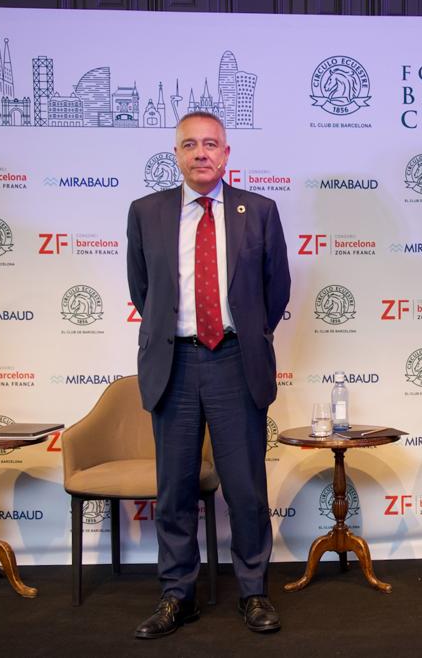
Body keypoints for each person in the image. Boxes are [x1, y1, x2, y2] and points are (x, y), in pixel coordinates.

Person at [126, 111, 291, 639]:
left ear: (226, 154)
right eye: (190, 144)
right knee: (173, 489)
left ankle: (253, 591)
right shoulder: (146, 211)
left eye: (211, 144)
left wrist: (241, 334)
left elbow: (275, 289)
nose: (201, 153)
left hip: (234, 360)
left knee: (244, 487)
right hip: (173, 362)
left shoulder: (259, 211)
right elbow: (142, 289)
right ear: (176, 154)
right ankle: (178, 596)